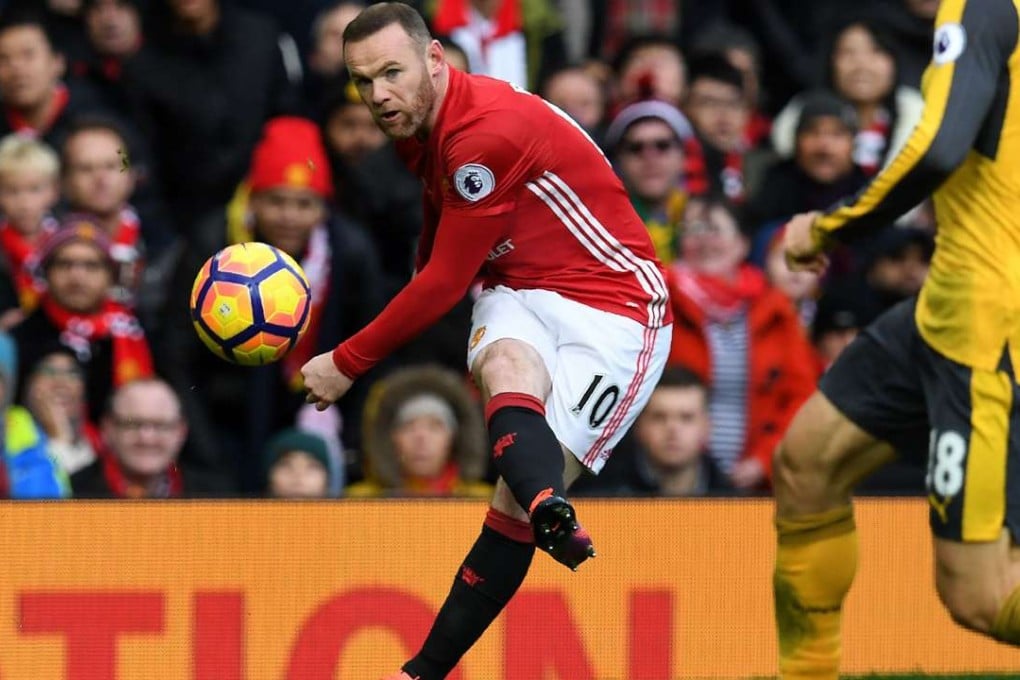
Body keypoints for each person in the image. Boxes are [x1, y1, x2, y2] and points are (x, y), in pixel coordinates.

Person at [298, 5, 671, 679]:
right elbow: (438, 226)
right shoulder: (421, 119)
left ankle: (429, 664)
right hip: (520, 285)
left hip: (617, 307)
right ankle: (546, 507)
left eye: (391, 73)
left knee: (508, 508)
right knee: (504, 366)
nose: (378, 94)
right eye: (362, 81)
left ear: (435, 59)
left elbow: (445, 280)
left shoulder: (483, 134)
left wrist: (346, 362)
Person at [776, 0, 1020, 676]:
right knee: (806, 465)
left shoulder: (985, 9)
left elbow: (938, 145)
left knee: (978, 595)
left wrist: (828, 228)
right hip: (945, 302)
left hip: (987, 327)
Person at [346, 364, 491, 498]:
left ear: (454, 437)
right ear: (391, 437)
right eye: (408, 426)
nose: (421, 437)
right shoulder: (360, 503)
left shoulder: (483, 502)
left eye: (435, 426)